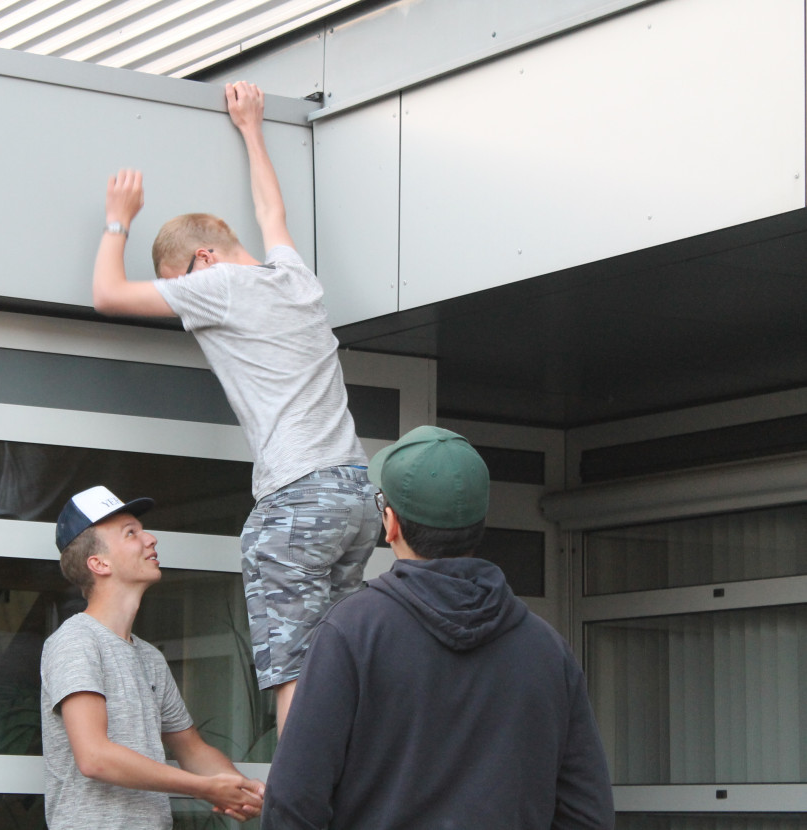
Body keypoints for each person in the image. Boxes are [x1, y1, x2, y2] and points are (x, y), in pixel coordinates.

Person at [90, 81, 379, 732]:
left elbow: (108, 294)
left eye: (176, 288)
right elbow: (270, 212)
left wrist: (118, 217)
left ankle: (302, 796)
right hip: (355, 496)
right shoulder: (294, 279)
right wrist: (251, 127)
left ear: (201, 260)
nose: (179, 305)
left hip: (299, 497)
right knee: (336, 652)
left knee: (291, 662)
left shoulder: (215, 286)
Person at [262, 425, 615, 830]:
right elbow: (588, 815)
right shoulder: (548, 649)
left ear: (390, 523)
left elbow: (293, 801)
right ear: (479, 524)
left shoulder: (352, 632)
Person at [40, 485, 264, 829]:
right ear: (99, 563)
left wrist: (245, 791)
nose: (151, 539)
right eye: (131, 533)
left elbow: (191, 748)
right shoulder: (76, 641)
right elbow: (95, 757)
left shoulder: (148, 657)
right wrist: (207, 788)